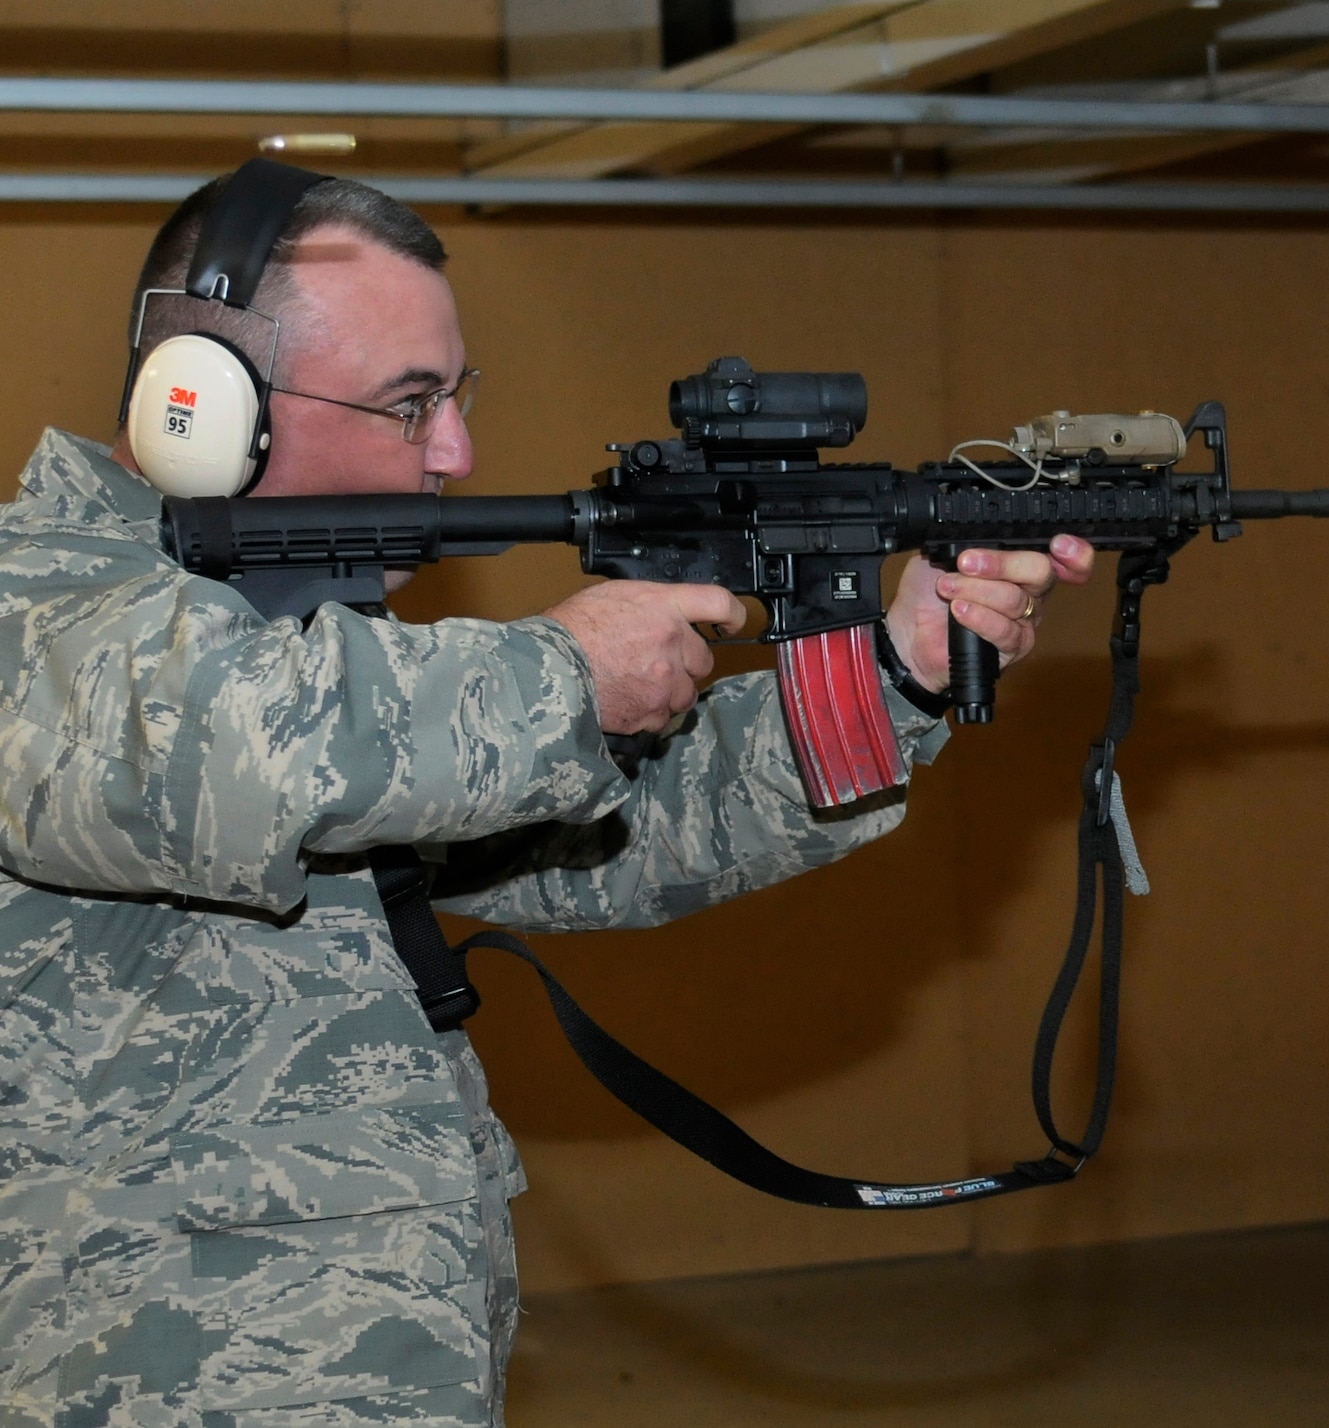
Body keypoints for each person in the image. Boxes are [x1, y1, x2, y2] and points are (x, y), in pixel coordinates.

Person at [0, 174, 1093, 1426]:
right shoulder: (40, 606)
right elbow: (230, 743)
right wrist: (570, 675)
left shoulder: (307, 643)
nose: (455, 453)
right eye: (409, 404)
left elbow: (599, 842)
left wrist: (896, 673)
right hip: (141, 1372)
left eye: (455, 398)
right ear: (205, 406)